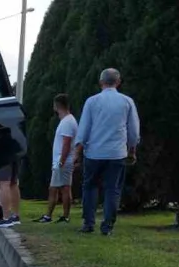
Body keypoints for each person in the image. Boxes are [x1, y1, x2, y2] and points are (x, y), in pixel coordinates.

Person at [73, 68, 141, 236]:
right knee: (113, 189)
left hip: (94, 153)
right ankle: (107, 226)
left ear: (101, 82)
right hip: (117, 153)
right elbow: (133, 130)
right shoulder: (127, 102)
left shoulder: (92, 101)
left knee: (89, 187)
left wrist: (77, 152)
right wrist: (132, 150)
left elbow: (84, 129)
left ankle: (88, 223)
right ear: (118, 82)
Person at [36, 94, 78, 224]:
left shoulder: (67, 122)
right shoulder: (66, 121)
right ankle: (50, 215)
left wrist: (61, 161)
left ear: (56, 105)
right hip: (61, 160)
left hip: (63, 160)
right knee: (54, 188)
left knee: (63, 188)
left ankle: (63, 216)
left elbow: (66, 143)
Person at [0, 162, 22, 228]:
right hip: (15, 154)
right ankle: (15, 216)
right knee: (13, 183)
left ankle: (6, 218)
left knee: (4, 182)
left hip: (3, 155)